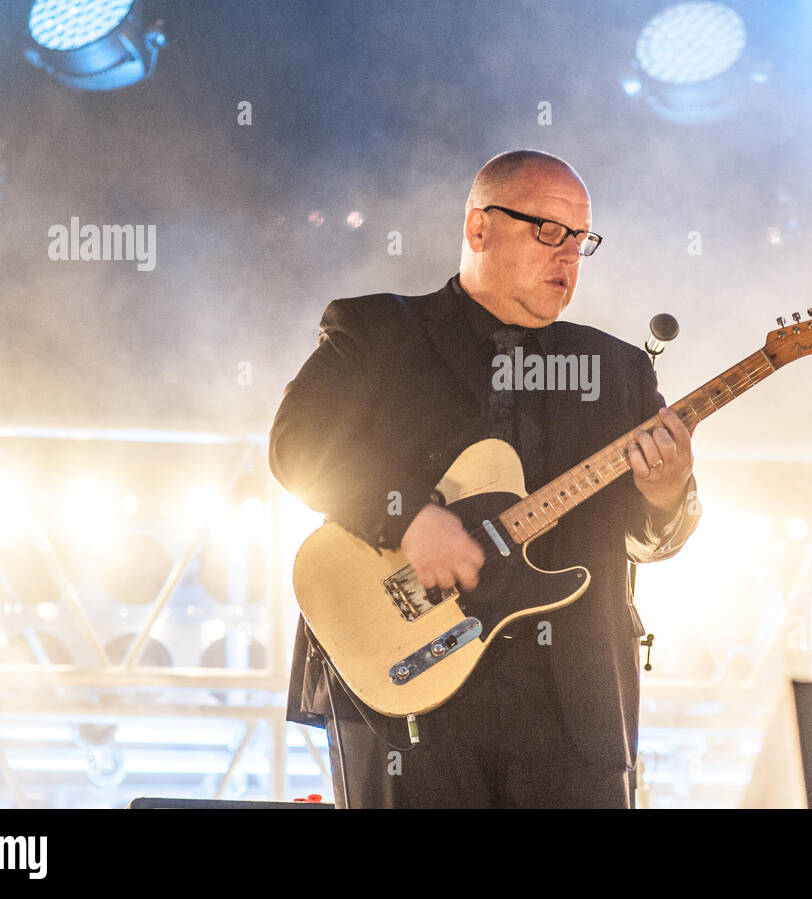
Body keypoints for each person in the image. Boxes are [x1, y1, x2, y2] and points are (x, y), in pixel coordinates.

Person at [269, 149, 701, 808]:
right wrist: (408, 518)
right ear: (478, 228)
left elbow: (648, 539)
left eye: (581, 240)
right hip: (408, 692)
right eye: (548, 231)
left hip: (572, 712)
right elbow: (296, 447)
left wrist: (667, 493)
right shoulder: (379, 330)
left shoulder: (617, 369)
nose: (568, 256)